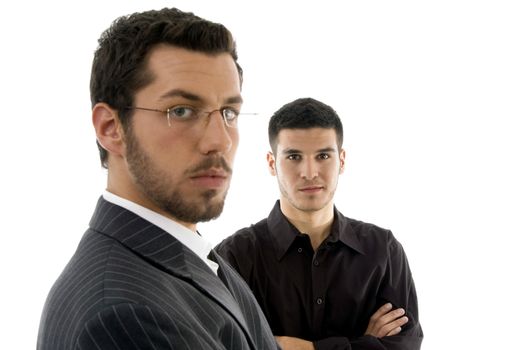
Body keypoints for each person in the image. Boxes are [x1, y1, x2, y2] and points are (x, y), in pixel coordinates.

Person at [37, 8, 278, 350]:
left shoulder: (183, 251)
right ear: (110, 128)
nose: (220, 141)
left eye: (229, 113)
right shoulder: (123, 315)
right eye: (181, 111)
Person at [215, 97, 424, 350]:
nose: (310, 172)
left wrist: (303, 348)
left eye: (323, 155)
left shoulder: (383, 250)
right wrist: (364, 344)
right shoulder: (234, 257)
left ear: (342, 160)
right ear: (272, 164)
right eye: (294, 156)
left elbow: (404, 346)